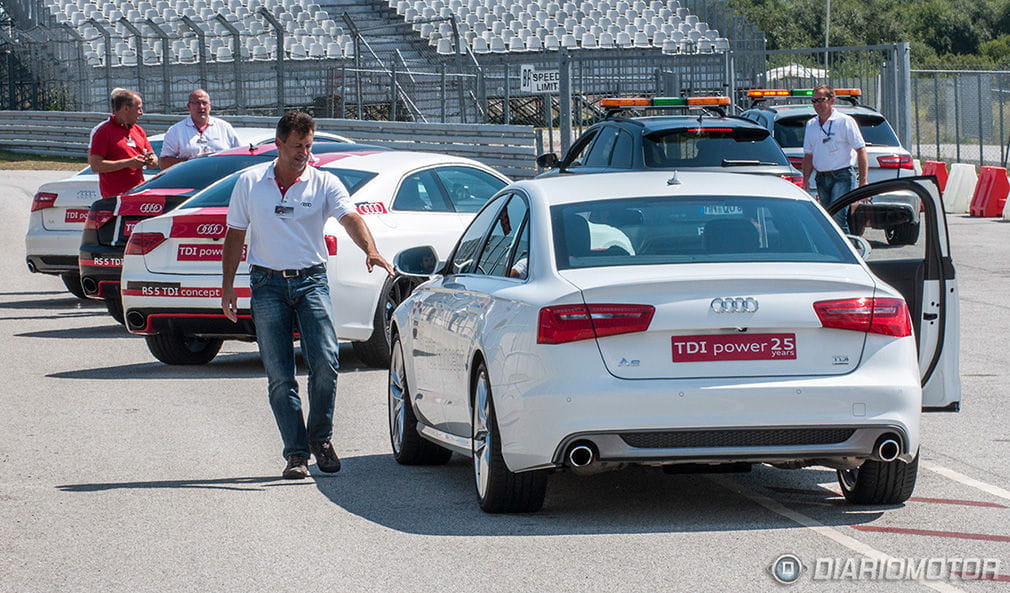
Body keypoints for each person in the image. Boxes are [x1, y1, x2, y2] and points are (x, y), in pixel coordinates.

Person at [220, 111, 394, 480]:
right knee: (280, 375)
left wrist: (370, 249)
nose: (304, 154)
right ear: (279, 144)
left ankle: (321, 438)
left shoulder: (324, 182)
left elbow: (351, 218)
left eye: (309, 146)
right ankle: (296, 454)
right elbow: (235, 235)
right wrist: (228, 287)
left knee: (327, 363)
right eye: (297, 146)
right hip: (266, 285)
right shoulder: (251, 183)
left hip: (311, 281)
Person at [801, 84, 869, 233]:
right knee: (828, 217)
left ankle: (848, 251)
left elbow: (861, 150)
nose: (817, 104)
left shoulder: (845, 121)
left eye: (821, 100)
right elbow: (808, 155)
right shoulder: (811, 124)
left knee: (838, 217)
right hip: (822, 177)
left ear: (832, 100)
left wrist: (863, 181)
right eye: (814, 101)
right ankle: (837, 250)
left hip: (842, 176)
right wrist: (805, 180)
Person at [88, 88, 157, 198]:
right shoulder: (103, 131)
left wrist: (151, 160)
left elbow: (152, 156)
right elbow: (95, 166)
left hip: (138, 195)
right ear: (126, 108)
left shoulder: (138, 130)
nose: (141, 113)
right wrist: (128, 163)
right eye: (138, 108)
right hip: (115, 199)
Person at [159, 89, 241, 169]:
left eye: (204, 103)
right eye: (197, 103)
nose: (201, 107)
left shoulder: (224, 128)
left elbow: (240, 156)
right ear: (189, 106)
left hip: (221, 180)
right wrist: (191, 161)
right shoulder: (176, 131)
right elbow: (163, 163)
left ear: (210, 106)